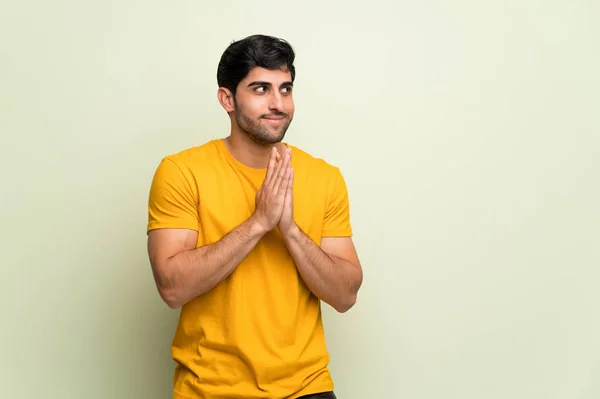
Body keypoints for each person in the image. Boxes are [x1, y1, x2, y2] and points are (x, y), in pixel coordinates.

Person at [146, 34, 363, 399]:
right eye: (260, 89)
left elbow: (345, 295)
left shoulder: (324, 177)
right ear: (227, 99)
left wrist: (290, 231)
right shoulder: (181, 171)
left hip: (306, 388)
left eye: (286, 89)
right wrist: (259, 223)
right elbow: (172, 287)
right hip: (211, 390)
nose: (278, 104)